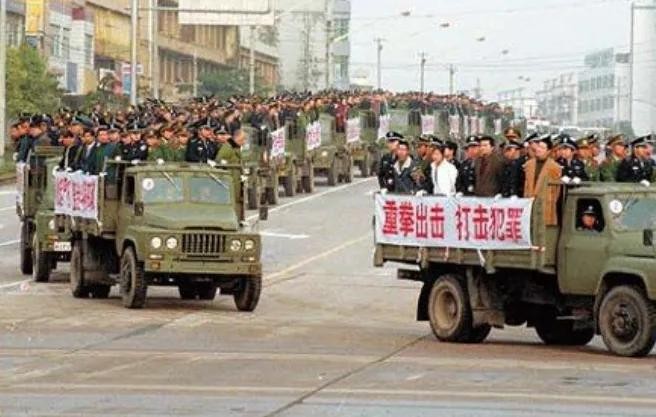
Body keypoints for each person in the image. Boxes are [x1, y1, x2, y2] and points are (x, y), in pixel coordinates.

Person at [523, 135, 562, 226]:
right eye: (538, 146)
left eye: (542, 148)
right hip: (529, 204)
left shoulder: (554, 167)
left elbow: (557, 191)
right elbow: (526, 186)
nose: (538, 149)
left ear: (548, 151)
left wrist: (549, 200)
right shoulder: (528, 165)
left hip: (546, 205)